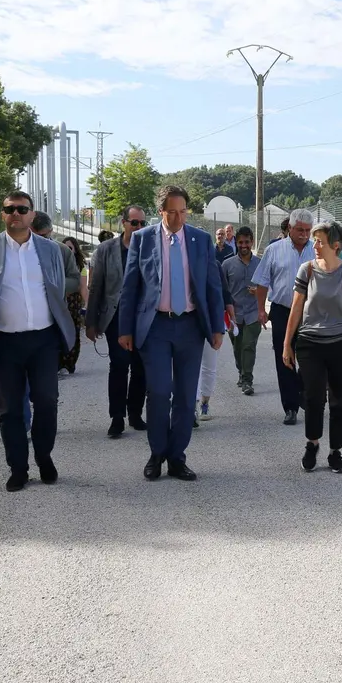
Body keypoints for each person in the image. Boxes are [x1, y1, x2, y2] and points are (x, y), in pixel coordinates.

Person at [0, 190, 75, 492]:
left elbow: (56, 288)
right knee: (9, 409)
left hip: (43, 340)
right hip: (4, 342)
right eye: (10, 209)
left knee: (46, 401)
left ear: (31, 215)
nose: (16, 214)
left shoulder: (50, 250)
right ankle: (18, 468)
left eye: (22, 209)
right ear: (3, 214)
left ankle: (44, 457)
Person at [117, 185, 225, 481]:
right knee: (160, 391)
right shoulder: (142, 239)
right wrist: (125, 329)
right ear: (161, 211)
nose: (178, 218)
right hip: (156, 327)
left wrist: (218, 327)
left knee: (185, 396)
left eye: (183, 212)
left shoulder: (200, 240)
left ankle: (177, 457)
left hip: (191, 326)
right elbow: (130, 288)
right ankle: (157, 453)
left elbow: (212, 286)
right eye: (172, 212)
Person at [282, 221, 342, 473]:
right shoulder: (306, 269)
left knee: (339, 401)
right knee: (313, 397)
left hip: (341, 344)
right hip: (310, 344)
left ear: (336, 244)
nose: (315, 246)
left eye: (320, 241)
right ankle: (312, 444)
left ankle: (335, 453)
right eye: (314, 240)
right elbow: (296, 308)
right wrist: (287, 343)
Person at [86, 206, 149, 438]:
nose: (139, 228)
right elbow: (96, 286)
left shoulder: (149, 248)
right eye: (135, 223)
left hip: (142, 318)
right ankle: (117, 418)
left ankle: (135, 414)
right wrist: (91, 321)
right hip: (115, 318)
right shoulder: (106, 250)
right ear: (123, 223)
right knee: (120, 365)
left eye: (143, 224)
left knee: (140, 368)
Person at [253, 209, 315, 425]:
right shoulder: (273, 250)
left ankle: (301, 392)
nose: (304, 234)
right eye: (300, 230)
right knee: (285, 358)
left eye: (308, 230)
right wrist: (262, 310)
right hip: (281, 311)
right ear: (290, 228)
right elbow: (262, 282)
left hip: (310, 313)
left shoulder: (318, 251)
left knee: (311, 358)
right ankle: (290, 407)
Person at [221, 226, 262, 396]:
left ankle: (247, 380)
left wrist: (258, 292)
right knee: (238, 348)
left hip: (253, 313)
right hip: (234, 316)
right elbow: (222, 290)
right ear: (236, 243)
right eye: (240, 242)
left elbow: (269, 286)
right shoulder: (227, 265)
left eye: (247, 242)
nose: (244, 245)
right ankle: (241, 372)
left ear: (252, 242)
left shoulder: (260, 264)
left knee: (248, 346)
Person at [195, 268, 235, 423]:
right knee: (192, 367)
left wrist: (231, 316)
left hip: (212, 323)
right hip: (191, 323)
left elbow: (225, 294)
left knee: (209, 367)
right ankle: (193, 405)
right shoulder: (184, 260)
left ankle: (205, 402)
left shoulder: (215, 265)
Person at [60, 236, 87, 373]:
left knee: (73, 331)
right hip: (59, 301)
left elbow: (83, 287)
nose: (67, 250)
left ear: (75, 249)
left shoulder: (80, 267)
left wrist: (87, 304)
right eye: (65, 247)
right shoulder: (56, 263)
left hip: (73, 303)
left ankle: (69, 362)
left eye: (70, 247)